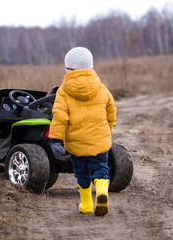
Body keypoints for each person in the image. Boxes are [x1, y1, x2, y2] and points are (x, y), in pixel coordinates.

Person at [49, 47, 117, 216]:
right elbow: (112, 111)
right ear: (91, 66)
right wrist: (106, 131)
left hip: (77, 144)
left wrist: (56, 140)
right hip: (99, 141)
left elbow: (59, 117)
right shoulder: (101, 88)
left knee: (81, 173)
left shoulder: (63, 92)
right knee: (101, 168)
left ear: (67, 68)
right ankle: (102, 192)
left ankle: (86, 205)